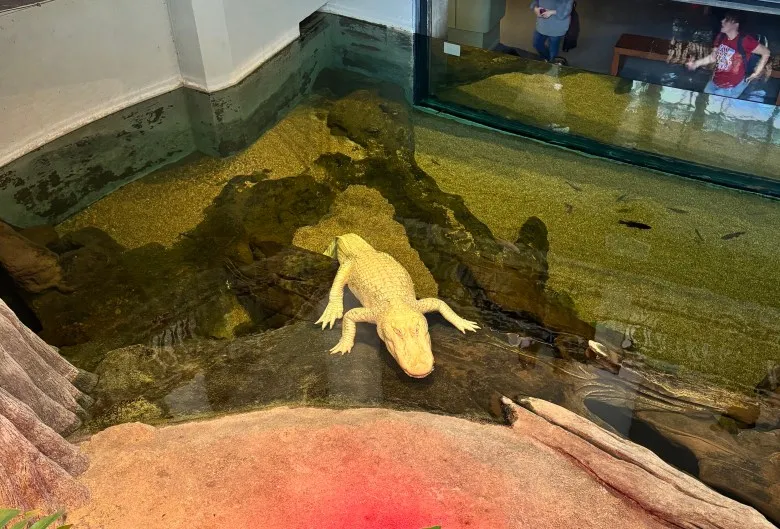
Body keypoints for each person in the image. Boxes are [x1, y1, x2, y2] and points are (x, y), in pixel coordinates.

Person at [686, 11, 771, 99]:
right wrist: (696, 64)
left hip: (730, 88)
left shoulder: (745, 41)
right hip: (713, 83)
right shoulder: (721, 37)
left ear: (735, 24)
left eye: (727, 20)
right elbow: (713, 57)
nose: (722, 21)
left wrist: (756, 72)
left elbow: (766, 52)